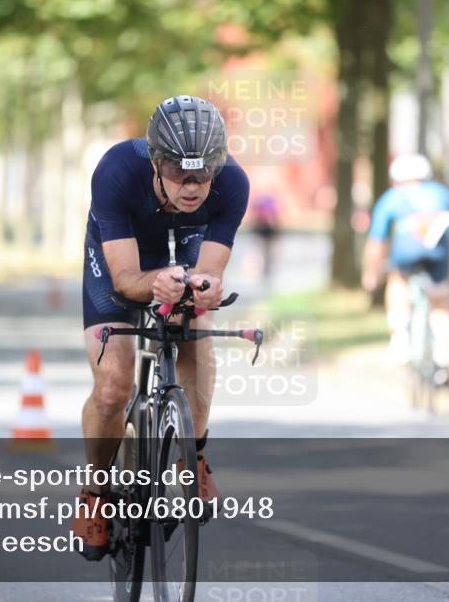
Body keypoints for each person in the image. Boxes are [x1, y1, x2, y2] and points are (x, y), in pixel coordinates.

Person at [73, 95, 249, 560]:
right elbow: (127, 280)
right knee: (112, 387)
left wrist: (206, 288)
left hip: (182, 253)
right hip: (122, 261)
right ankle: (96, 492)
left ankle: (194, 457)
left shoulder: (232, 183)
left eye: (203, 174)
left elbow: (211, 269)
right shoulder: (116, 171)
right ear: (155, 163)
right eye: (178, 174)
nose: (192, 186)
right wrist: (156, 282)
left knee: (197, 333)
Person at [361, 154, 449, 373]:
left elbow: (377, 242)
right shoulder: (442, 194)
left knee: (397, 281)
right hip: (439, 253)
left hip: (406, 252)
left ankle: (400, 339)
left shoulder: (393, 197)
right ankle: (443, 353)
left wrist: (371, 273)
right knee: (439, 300)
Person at [250, 193, 280, 278]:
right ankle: (261, 269)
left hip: (267, 232)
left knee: (267, 253)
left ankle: (265, 269)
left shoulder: (267, 204)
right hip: (263, 232)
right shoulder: (263, 205)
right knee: (262, 252)